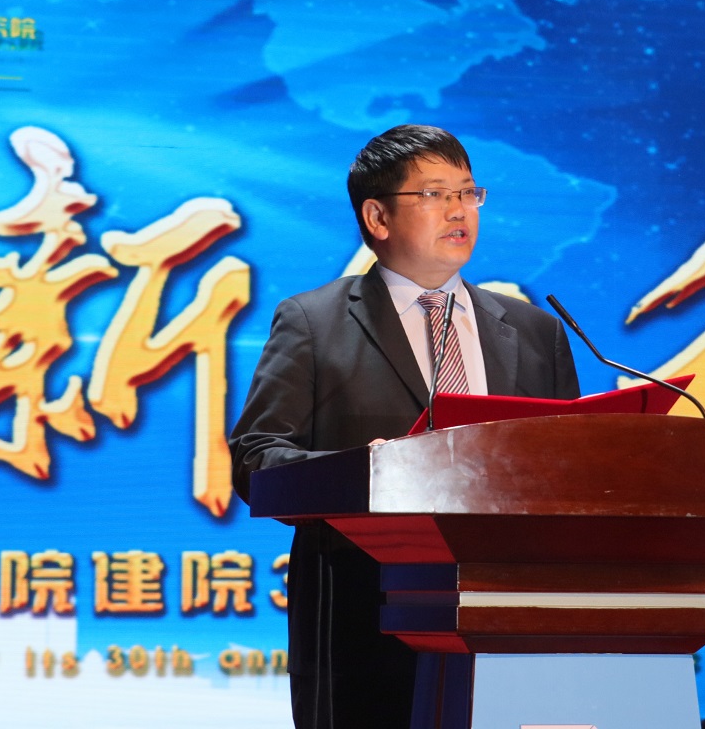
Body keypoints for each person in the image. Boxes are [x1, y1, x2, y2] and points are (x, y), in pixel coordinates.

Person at [229, 124, 580, 728]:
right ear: (378, 217)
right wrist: (364, 473)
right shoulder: (315, 323)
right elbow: (256, 459)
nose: (459, 210)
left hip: (512, 613)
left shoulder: (534, 331)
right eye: (435, 194)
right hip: (366, 621)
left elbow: (569, 467)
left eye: (468, 193)